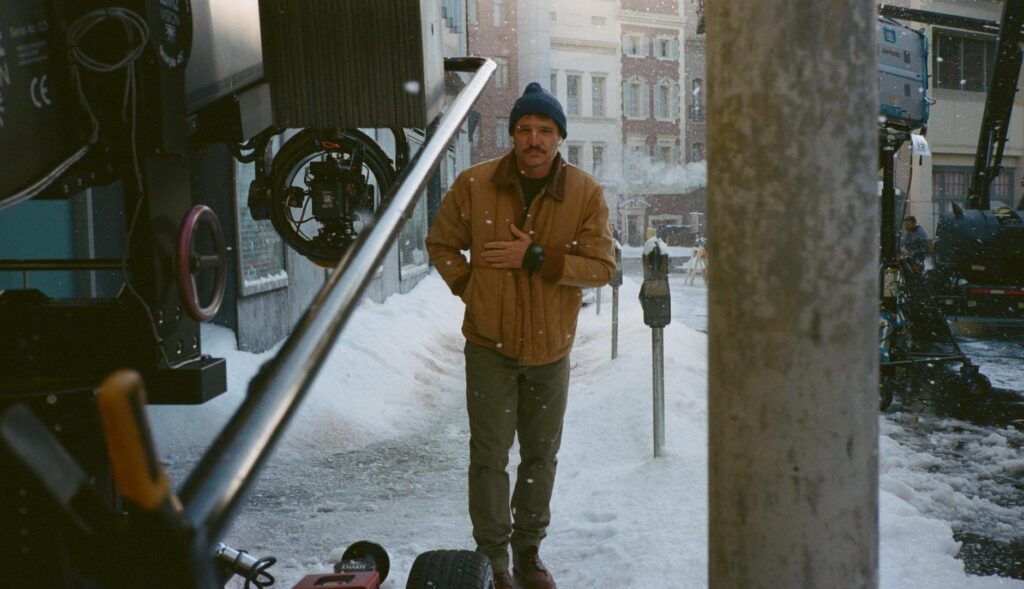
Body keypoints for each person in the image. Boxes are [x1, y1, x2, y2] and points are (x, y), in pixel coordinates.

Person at [425, 82, 615, 589]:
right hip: (489, 345)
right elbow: (441, 243)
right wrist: (472, 288)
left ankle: (528, 551)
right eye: (525, 129)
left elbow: (602, 267)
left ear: (559, 138)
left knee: (539, 455)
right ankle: (494, 559)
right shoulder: (475, 184)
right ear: (512, 134)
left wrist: (536, 258)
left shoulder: (584, 193)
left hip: (551, 349)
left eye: (545, 130)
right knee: (489, 456)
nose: (534, 139)